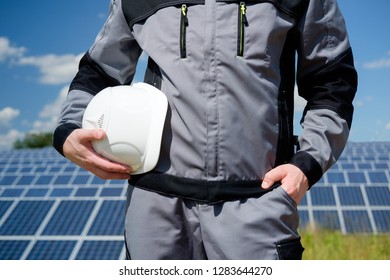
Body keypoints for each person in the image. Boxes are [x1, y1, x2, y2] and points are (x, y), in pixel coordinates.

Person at [53, 0, 357, 259]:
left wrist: (307, 164)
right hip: (155, 210)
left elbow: (332, 80)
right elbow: (98, 71)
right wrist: (69, 129)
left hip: (257, 202)